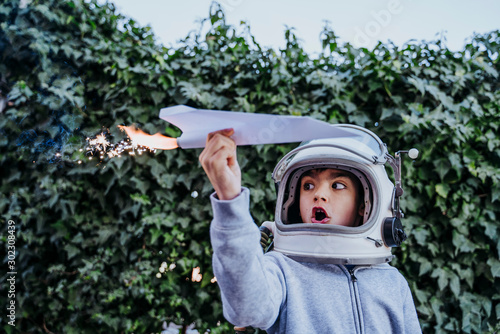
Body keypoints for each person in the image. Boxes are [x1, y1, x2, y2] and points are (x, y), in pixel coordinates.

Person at [199, 125, 422, 333]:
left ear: (365, 204)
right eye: (308, 185)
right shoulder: (281, 270)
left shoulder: (392, 282)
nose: (319, 194)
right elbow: (247, 309)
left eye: (337, 185)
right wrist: (230, 199)